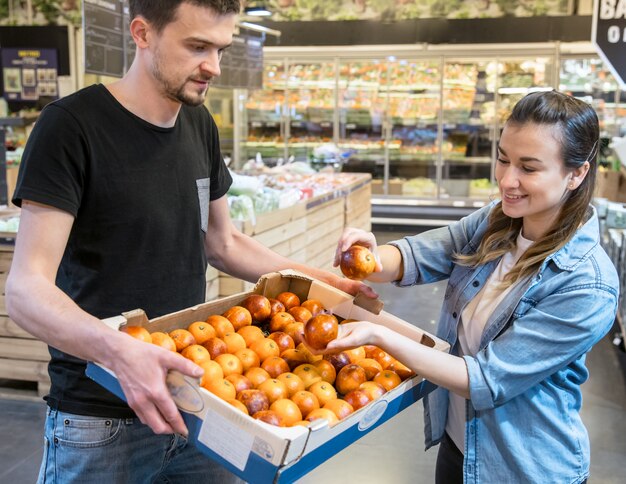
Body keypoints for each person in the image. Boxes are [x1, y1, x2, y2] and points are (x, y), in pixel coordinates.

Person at [5, 1, 371, 482]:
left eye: (220, 48)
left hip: (202, 403)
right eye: (197, 46)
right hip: (103, 420)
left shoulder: (199, 124)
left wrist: (316, 279)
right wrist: (119, 352)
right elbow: (25, 290)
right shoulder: (71, 128)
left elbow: (224, 242)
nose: (213, 67)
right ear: (142, 33)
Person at [329, 90, 619, 484]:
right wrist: (369, 255)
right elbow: (421, 254)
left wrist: (381, 336)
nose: (506, 180)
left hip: (523, 469)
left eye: (528, 168)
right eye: (502, 159)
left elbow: (485, 378)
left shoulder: (586, 284)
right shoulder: (497, 221)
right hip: (460, 446)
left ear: (577, 173)